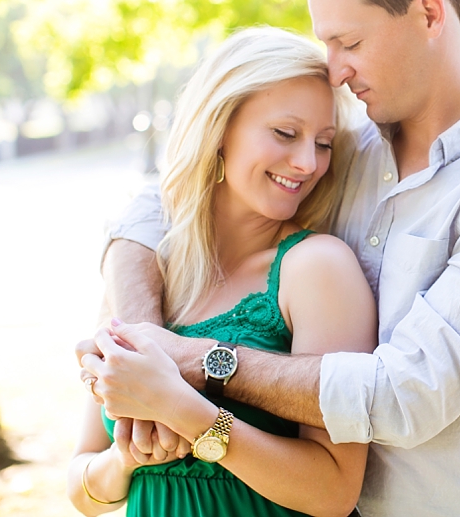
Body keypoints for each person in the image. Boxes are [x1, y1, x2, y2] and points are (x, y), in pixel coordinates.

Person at [79, 0, 460, 516]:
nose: (335, 70)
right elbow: (159, 204)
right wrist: (141, 340)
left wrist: (192, 363)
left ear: (430, 13)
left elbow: (405, 395)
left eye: (349, 41)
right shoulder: (344, 150)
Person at [69, 27, 377, 517]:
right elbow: (82, 488)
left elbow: (335, 492)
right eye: (285, 133)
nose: (307, 163)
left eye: (323, 143)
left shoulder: (316, 268)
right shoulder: (147, 271)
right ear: (219, 128)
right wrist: (126, 459)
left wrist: (184, 412)